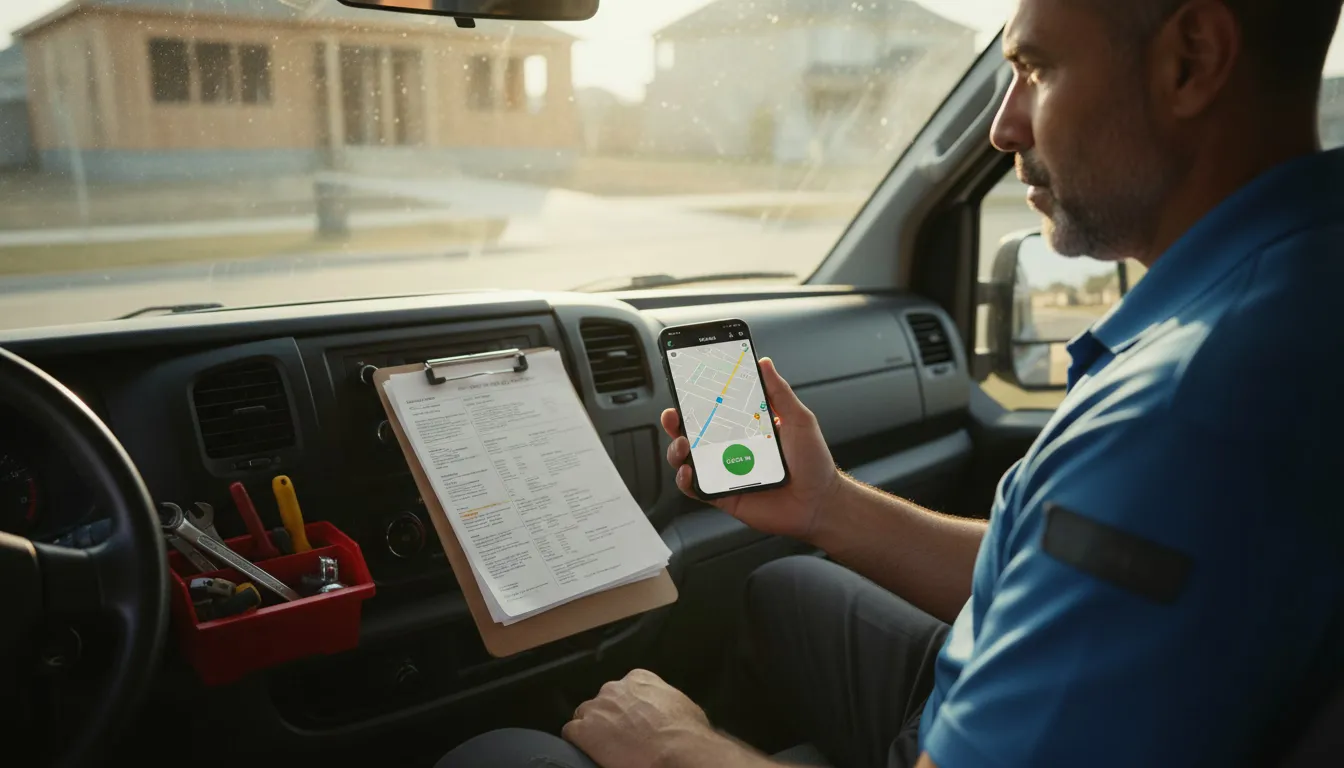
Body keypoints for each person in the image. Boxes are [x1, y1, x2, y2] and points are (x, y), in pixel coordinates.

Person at [439, 0, 1344, 765]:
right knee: (783, 585)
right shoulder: (1299, 276)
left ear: (1191, 61)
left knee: (499, 755)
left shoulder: (1181, 419)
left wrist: (679, 747)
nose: (1004, 125)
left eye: (1035, 69)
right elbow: (1039, 569)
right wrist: (830, 504)